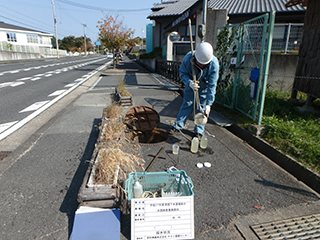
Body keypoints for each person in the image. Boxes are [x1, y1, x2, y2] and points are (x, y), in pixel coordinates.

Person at [170, 42, 219, 137]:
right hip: (191, 85)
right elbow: (182, 73)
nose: (201, 65)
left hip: (204, 88)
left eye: (204, 64)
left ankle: (199, 131)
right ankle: (178, 126)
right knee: (186, 105)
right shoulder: (188, 58)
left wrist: (209, 104)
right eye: (199, 63)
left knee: (201, 109)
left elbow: (212, 86)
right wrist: (189, 82)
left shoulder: (214, 64)